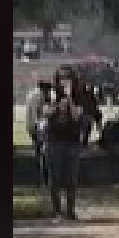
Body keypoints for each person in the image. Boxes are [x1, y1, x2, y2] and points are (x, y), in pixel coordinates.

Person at [41, 65, 93, 221]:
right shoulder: (51, 93)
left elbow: (78, 116)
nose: (65, 81)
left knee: (71, 178)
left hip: (72, 140)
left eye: (68, 77)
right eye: (62, 78)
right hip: (53, 140)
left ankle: (70, 210)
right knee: (54, 178)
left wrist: (69, 101)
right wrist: (57, 104)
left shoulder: (79, 95)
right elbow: (45, 112)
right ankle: (57, 211)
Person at [24, 79, 53, 185]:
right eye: (48, 90)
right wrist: (40, 128)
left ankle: (40, 178)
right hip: (36, 127)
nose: (49, 92)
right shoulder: (38, 96)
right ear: (45, 88)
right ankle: (43, 179)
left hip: (32, 126)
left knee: (39, 152)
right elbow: (37, 114)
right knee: (43, 153)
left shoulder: (33, 93)